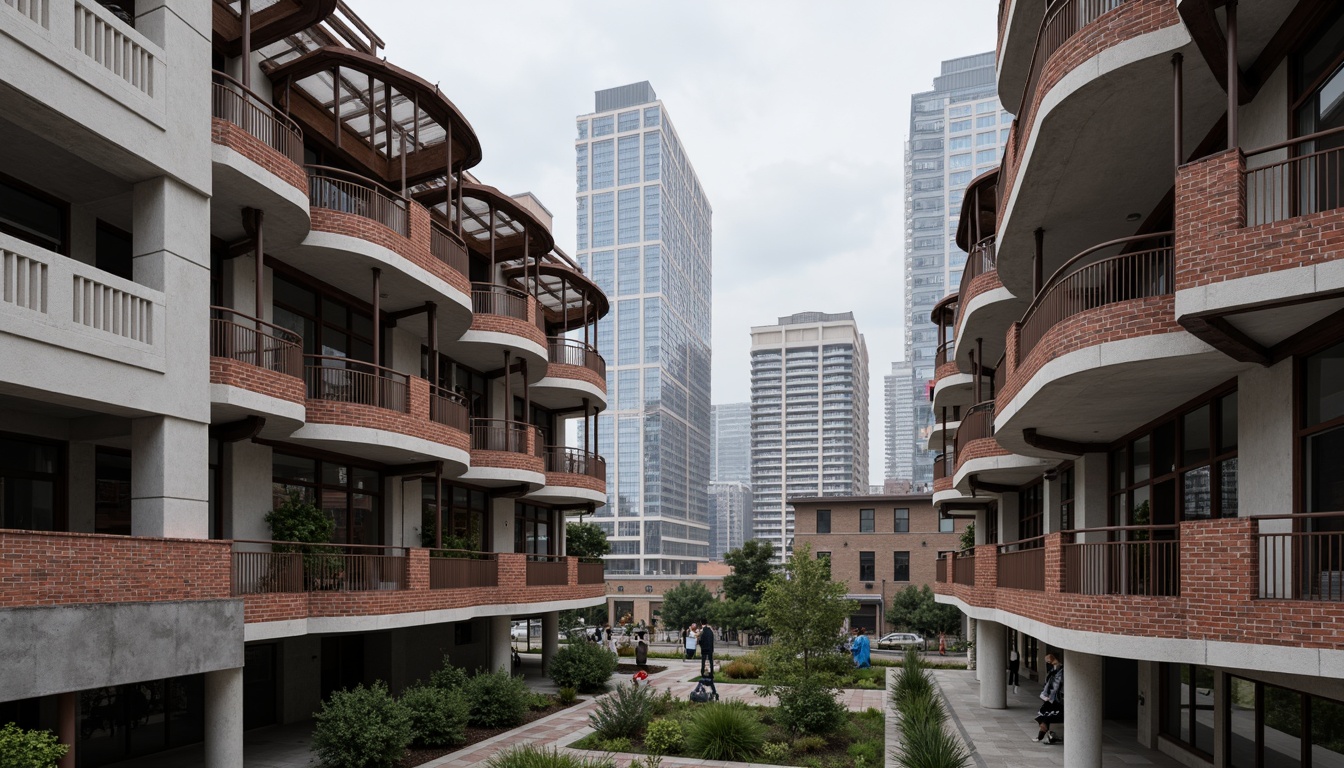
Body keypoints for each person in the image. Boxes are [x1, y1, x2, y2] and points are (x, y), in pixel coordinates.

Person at [1033, 653, 1064, 744]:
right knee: (1041, 717)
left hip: (1057, 702)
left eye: (1048, 660)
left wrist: (1055, 662)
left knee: (1045, 718)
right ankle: (1048, 735)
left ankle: (1046, 736)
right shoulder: (1052, 672)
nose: (1047, 662)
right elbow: (1049, 684)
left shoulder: (1060, 671)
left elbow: (1057, 684)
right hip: (1051, 700)